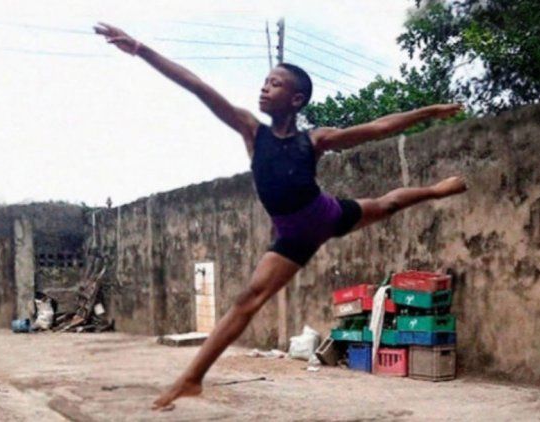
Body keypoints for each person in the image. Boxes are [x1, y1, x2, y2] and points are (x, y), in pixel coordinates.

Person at [94, 22, 468, 410]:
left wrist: (430, 111)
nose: (264, 88)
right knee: (248, 300)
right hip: (293, 237)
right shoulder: (252, 131)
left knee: (388, 204)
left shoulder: (315, 139)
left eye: (275, 84)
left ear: (296, 99)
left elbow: (377, 128)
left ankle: (436, 190)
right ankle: (191, 379)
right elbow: (197, 86)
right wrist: (140, 48)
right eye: (265, 82)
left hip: (327, 213)